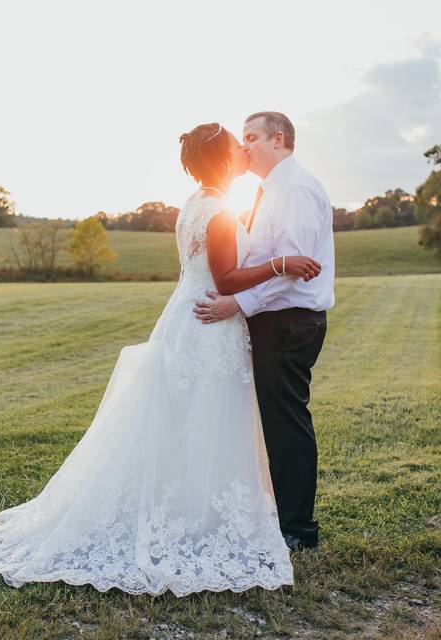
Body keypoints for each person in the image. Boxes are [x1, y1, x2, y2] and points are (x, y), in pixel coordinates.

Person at [0, 121, 322, 597]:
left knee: (182, 419)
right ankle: (194, 515)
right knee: (208, 419)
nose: (243, 151)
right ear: (225, 159)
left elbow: (197, 269)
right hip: (211, 326)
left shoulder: (194, 204)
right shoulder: (220, 211)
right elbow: (226, 279)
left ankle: (187, 507)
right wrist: (281, 264)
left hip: (185, 319)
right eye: (237, 146)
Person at [194, 111, 336, 551]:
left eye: (251, 136)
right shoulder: (269, 189)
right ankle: (281, 518)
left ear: (280, 139)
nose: (244, 145)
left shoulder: (292, 188)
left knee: (286, 423)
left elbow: (295, 271)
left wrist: (238, 303)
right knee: (275, 422)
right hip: (276, 319)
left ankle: (297, 530)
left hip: (289, 321)